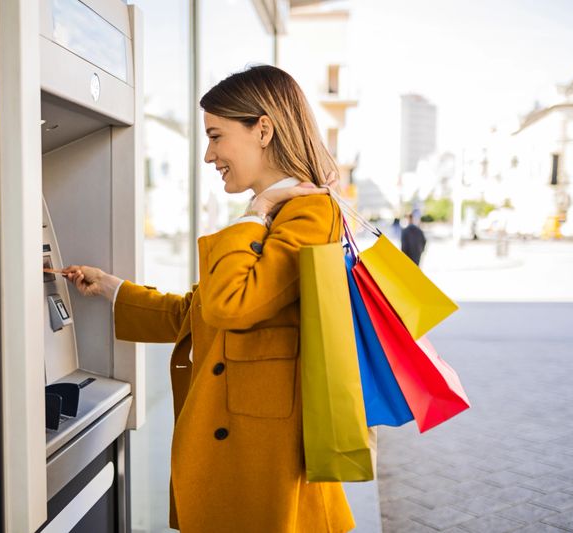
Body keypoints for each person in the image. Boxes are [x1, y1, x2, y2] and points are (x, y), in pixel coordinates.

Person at [64, 65, 355, 533]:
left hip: (266, 467)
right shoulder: (280, 214)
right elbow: (197, 314)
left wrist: (254, 215)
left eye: (216, 136)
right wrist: (112, 288)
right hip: (246, 456)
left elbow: (230, 306)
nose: (208, 155)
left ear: (263, 129)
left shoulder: (308, 212)